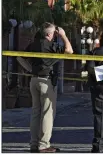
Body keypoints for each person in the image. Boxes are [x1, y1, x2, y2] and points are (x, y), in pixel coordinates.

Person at [25, 22, 73, 153]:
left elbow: (19, 56)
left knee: (35, 113)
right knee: (47, 113)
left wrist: (29, 69)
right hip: (46, 81)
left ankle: (34, 144)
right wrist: (63, 35)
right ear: (51, 34)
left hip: (34, 80)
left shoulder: (34, 44)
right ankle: (44, 145)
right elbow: (69, 50)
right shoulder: (51, 45)